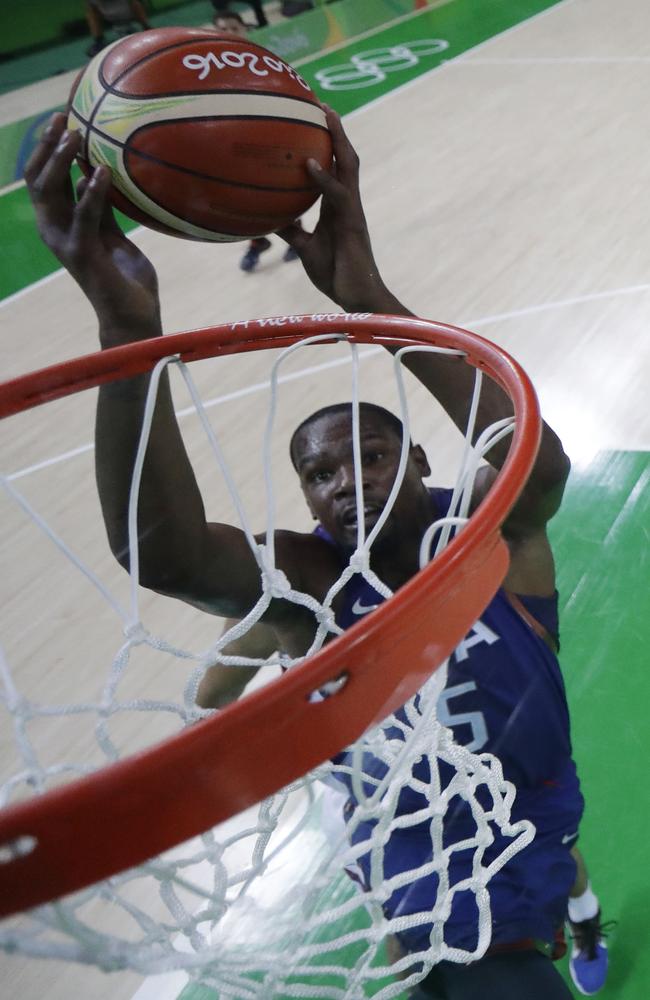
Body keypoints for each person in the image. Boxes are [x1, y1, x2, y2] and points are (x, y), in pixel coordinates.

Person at [24, 109, 611, 998]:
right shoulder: (312, 582)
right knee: (420, 961)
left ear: (416, 460)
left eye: (369, 456)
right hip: (407, 837)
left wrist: (373, 304)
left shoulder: (490, 532)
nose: (344, 482)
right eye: (318, 472)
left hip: (524, 801)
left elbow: (538, 461)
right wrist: (126, 330)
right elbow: (167, 559)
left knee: (560, 874)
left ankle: (585, 915)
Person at [212, 8, 301, 272]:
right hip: (229, 144)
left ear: (245, 29)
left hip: (268, 139)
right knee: (236, 200)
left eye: (234, 27)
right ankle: (257, 241)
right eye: (222, 29)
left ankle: (296, 237)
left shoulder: (263, 61)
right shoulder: (207, 66)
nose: (228, 33)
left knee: (278, 193)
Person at [84, 0, 150, 57]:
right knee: (91, 8)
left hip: (127, 17)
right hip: (112, 19)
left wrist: (146, 27)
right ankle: (99, 41)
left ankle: (147, 28)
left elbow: (134, 4)